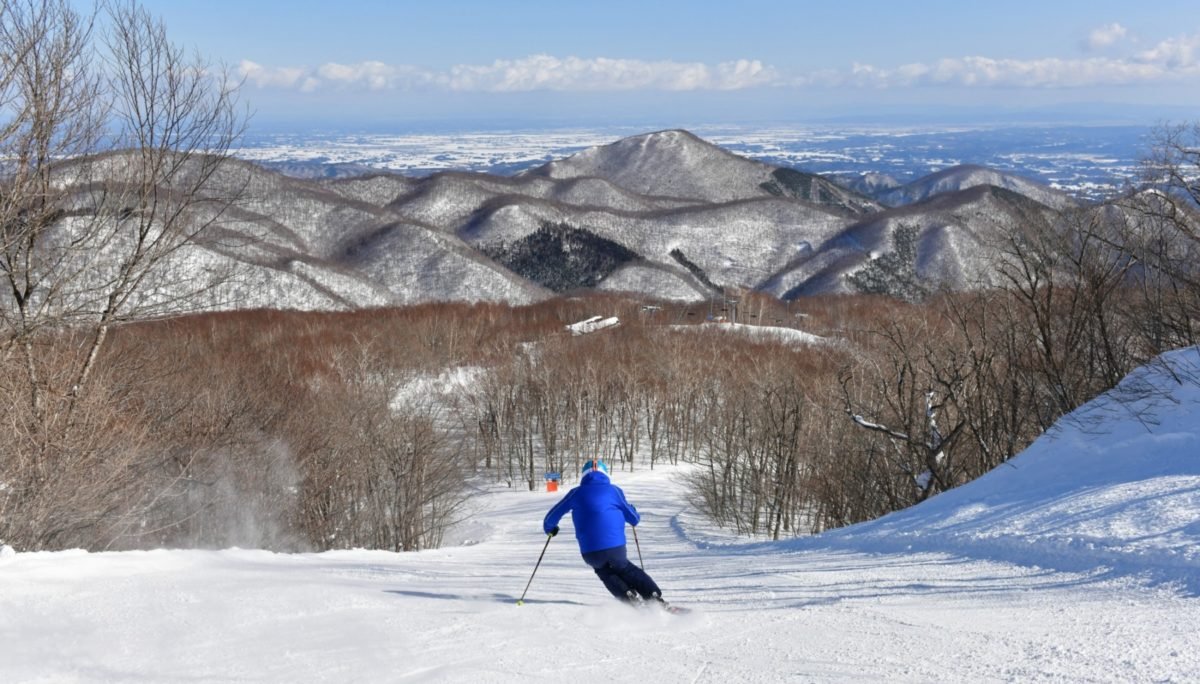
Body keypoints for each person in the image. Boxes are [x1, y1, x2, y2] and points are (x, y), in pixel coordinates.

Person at [543, 459, 666, 606]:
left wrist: (550, 529)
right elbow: (633, 518)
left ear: (583, 475)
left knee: (603, 571)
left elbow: (552, 516)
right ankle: (653, 595)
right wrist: (633, 514)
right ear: (605, 473)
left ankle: (628, 597)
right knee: (624, 568)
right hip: (616, 547)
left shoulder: (575, 493)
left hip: (590, 551)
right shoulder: (614, 491)